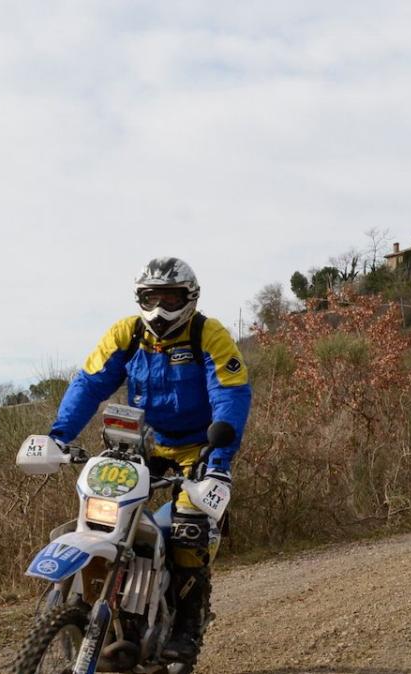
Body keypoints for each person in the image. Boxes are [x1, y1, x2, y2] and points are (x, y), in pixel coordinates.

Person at [47, 256, 251, 664]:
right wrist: (59, 436)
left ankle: (188, 623)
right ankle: (105, 605)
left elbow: (230, 393)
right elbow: (90, 382)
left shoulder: (208, 334)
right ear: (139, 298)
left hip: (200, 447)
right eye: (151, 298)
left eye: (170, 298)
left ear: (189, 299)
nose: (160, 309)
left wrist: (219, 462)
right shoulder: (127, 333)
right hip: (146, 444)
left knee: (189, 529)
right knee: (107, 514)